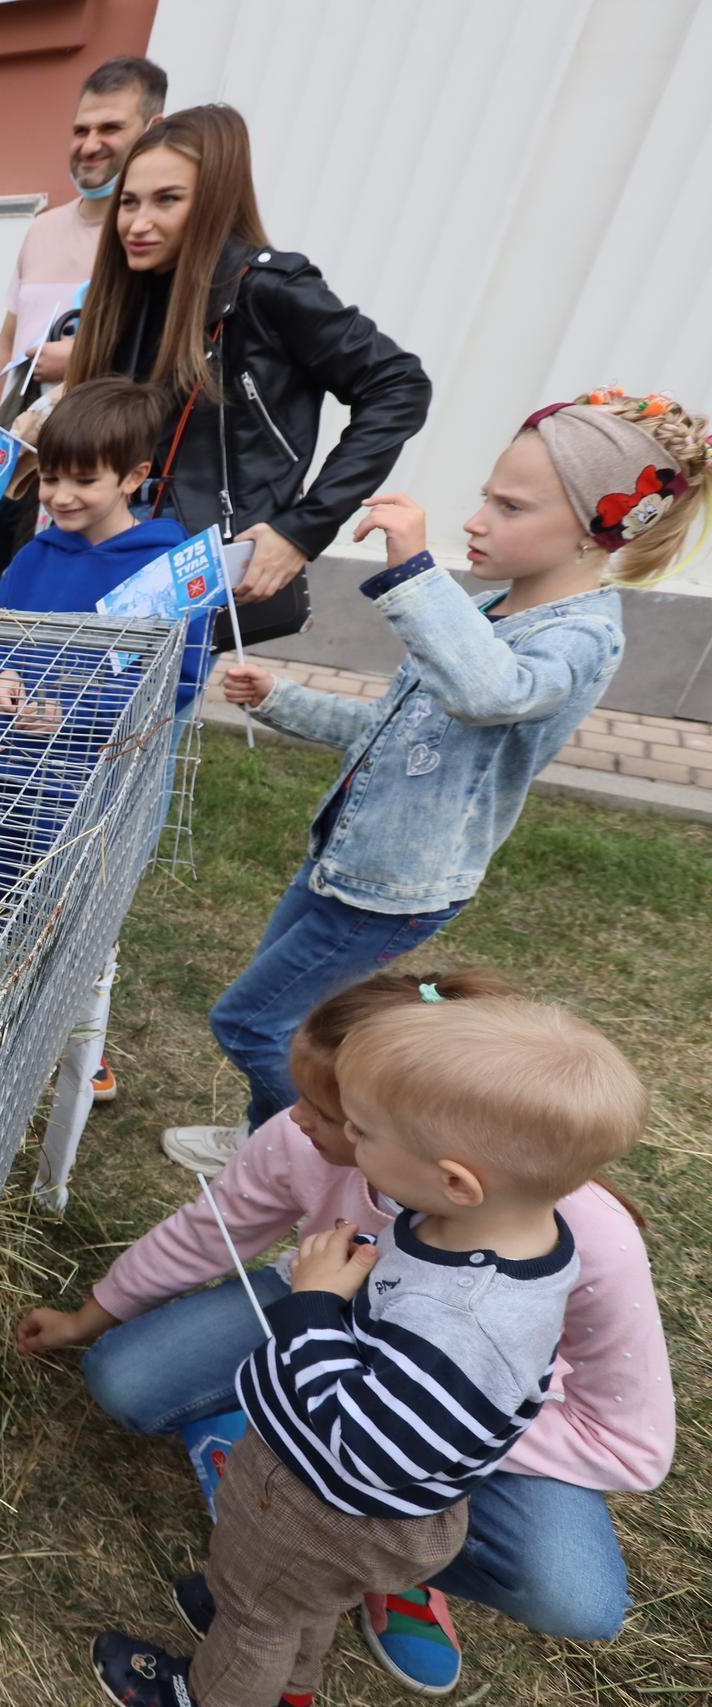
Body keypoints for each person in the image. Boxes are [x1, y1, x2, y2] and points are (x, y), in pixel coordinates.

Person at [21, 968, 670, 1694]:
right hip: (352, 1344)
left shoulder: (570, 1254)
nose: (295, 1121)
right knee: (134, 1386)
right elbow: (211, 1231)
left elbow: (398, 1429)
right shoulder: (444, 1199)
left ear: (454, 1177)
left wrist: (422, 1465)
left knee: (264, 1614)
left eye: (343, 1121)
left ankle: (284, 1633)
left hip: (409, 1416)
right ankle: (334, 1584)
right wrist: (93, 1314)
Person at [163, 386, 706, 1177]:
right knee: (303, 1022)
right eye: (487, 496)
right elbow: (389, 728)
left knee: (252, 1023)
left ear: (598, 531)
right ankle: (270, 1144)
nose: (477, 519)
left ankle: (320, 1163)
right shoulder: (488, 610)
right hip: (347, 862)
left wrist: (416, 573)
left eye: (510, 506)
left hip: (392, 885)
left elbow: (488, 693)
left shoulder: (582, 637)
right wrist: (285, 700)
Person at [63, 104, 432, 646]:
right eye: (129, 202)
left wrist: (302, 529)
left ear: (212, 200)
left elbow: (399, 385)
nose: (138, 224)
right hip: (103, 539)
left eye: (168, 199)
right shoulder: (125, 296)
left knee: (131, 723)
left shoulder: (269, 289)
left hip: (199, 554)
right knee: (57, 708)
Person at [0, 380, 198, 913]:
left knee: (65, 903)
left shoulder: (165, 571)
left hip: (87, 776)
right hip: (4, 763)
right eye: (49, 478)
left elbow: (176, 681)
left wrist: (71, 713)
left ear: (133, 477)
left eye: (84, 479)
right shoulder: (34, 556)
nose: (61, 496)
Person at [0, 54, 167, 603]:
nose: (90, 143)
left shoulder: (150, 238)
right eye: (80, 129)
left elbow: (163, 357)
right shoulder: (43, 228)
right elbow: (5, 345)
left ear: (153, 130)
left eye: (110, 128)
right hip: (5, 455)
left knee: (45, 609)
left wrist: (80, 358)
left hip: (84, 472)